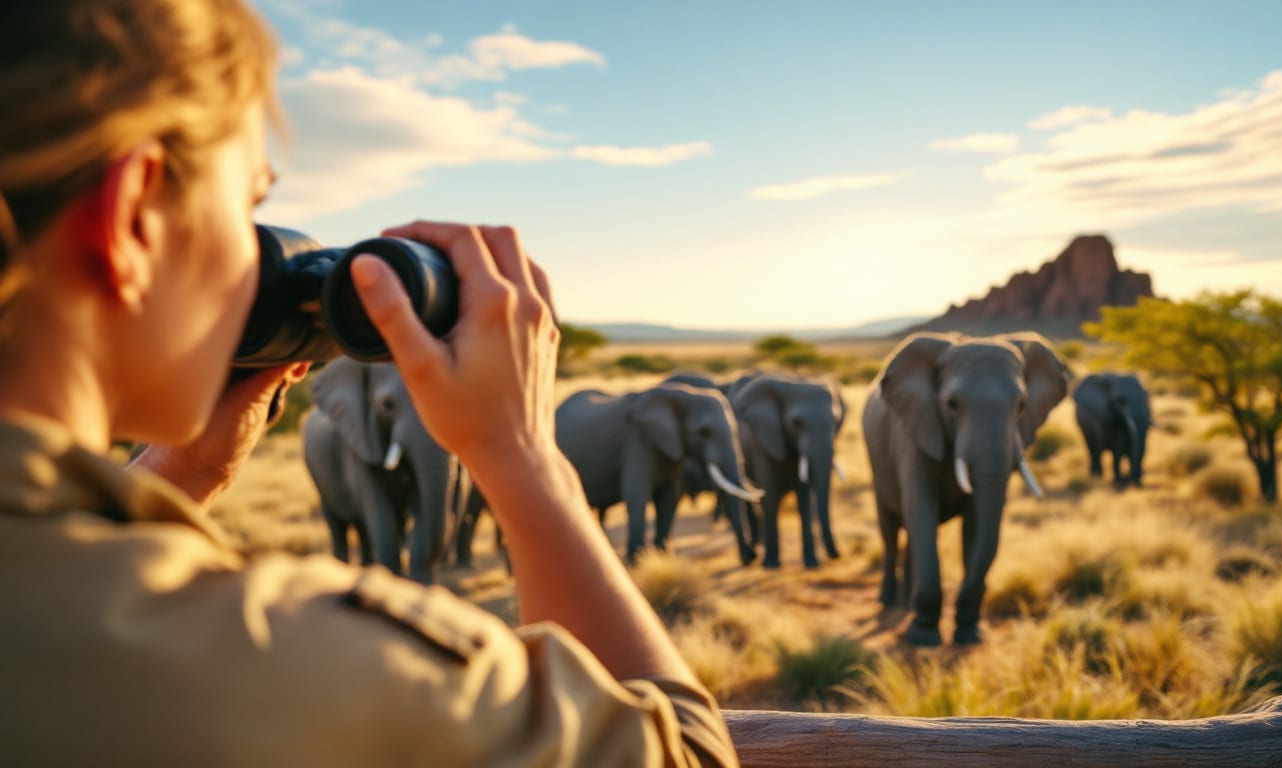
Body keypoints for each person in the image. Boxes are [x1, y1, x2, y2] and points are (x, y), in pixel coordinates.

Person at [0, 2, 738, 765]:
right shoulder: (302, 659)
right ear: (132, 220)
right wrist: (519, 453)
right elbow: (689, 753)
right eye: (248, 207)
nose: (260, 268)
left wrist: (177, 474)